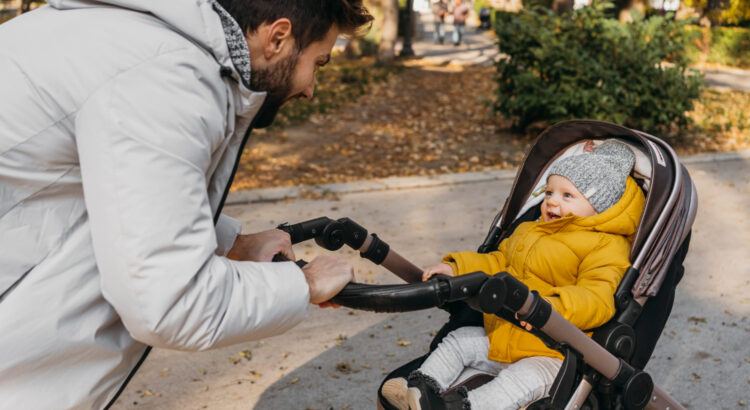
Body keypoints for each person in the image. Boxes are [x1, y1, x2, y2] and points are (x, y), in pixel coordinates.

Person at [0, 0, 372, 408]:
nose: (310, 88)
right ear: (278, 37)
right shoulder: (166, 80)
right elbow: (169, 304)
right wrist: (306, 284)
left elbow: (112, 197)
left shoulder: (135, 38)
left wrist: (232, 243)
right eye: (318, 63)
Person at [381, 140, 646, 410]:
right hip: (505, 333)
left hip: (553, 352)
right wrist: (456, 268)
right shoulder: (530, 230)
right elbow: (498, 261)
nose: (552, 201)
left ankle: (464, 406)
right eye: (549, 193)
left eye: (567, 196)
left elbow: (597, 298)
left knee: (518, 381)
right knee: (459, 341)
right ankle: (420, 388)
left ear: (599, 205)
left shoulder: (605, 245)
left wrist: (547, 308)